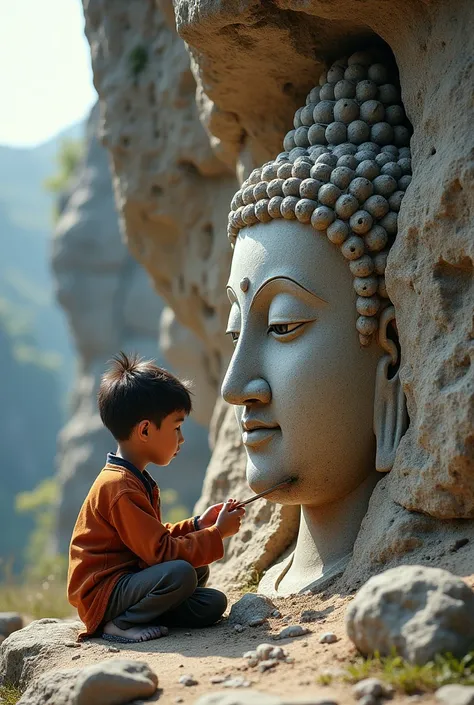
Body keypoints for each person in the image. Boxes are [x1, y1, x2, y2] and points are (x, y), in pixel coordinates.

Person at [67, 352, 245, 643]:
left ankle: (146, 612)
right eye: (176, 427)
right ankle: (120, 625)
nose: (182, 438)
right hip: (104, 593)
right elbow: (159, 553)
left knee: (209, 597)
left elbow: (153, 539)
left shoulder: (133, 478)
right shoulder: (120, 487)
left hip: (129, 579)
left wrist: (199, 524)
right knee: (181, 574)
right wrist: (217, 533)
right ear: (146, 430)